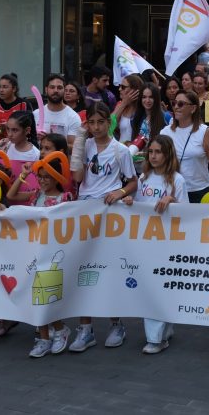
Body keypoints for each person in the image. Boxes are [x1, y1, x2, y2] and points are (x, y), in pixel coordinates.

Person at [69, 102, 138, 353]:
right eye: (92, 122)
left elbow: (133, 182)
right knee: (84, 270)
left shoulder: (120, 151)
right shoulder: (85, 145)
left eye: (101, 122)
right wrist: (79, 138)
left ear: (109, 123)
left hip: (108, 213)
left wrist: (119, 191)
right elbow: (77, 177)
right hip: (85, 212)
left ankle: (116, 323)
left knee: (109, 269)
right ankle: (85, 329)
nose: (96, 127)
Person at [123, 135, 186, 354]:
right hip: (146, 240)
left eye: (159, 152)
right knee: (151, 288)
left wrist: (172, 200)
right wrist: (130, 202)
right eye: (151, 152)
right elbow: (140, 205)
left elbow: (186, 214)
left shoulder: (177, 180)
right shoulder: (144, 178)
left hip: (167, 241)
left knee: (162, 287)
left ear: (168, 154)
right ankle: (159, 333)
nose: (154, 156)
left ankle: (157, 336)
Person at [22, 151, 75, 358]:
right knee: (37, 296)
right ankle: (44, 338)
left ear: (57, 177)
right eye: (40, 176)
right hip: (35, 251)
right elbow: (11, 196)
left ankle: (60, 329)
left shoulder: (65, 198)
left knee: (49, 297)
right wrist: (23, 176)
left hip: (54, 255)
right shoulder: (36, 195)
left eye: (47, 176)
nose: (43, 180)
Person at [160, 91, 209, 203]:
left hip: (199, 192)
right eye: (174, 103)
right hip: (171, 192)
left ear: (193, 108)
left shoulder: (205, 132)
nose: (176, 107)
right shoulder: (165, 132)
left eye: (181, 104)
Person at [1, 111, 41, 206]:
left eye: (15, 130)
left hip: (25, 203)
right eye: (8, 129)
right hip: (5, 200)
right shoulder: (5, 146)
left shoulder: (35, 154)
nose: (10, 134)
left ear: (27, 130)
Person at [0, 73, 30, 146]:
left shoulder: (23, 104)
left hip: (18, 146)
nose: (1, 90)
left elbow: (29, 128)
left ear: (14, 89)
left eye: (5, 87)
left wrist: (10, 127)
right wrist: (1, 130)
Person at [40, 74, 81, 152]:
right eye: (52, 87)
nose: (56, 90)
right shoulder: (36, 114)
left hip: (61, 163)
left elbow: (74, 148)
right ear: (46, 89)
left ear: (64, 90)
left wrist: (53, 142)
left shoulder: (73, 117)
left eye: (59, 87)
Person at [111, 74, 146, 144]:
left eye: (123, 87)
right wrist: (124, 103)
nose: (119, 89)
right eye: (120, 86)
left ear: (134, 90)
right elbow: (109, 126)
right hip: (119, 150)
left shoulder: (143, 109)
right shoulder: (120, 105)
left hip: (135, 151)